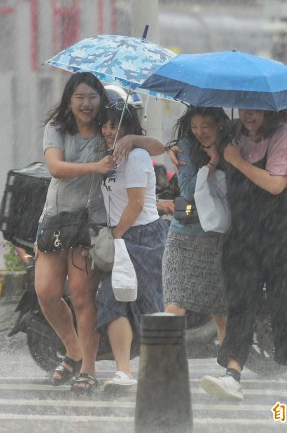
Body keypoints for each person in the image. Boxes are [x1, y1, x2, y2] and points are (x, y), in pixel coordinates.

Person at [36, 73, 164, 395]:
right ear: (69, 99)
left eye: (92, 97)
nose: (86, 103)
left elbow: (156, 148)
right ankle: (74, 349)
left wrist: (131, 140)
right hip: (56, 219)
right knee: (46, 292)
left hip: (92, 224)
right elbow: (55, 167)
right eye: (79, 96)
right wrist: (95, 167)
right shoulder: (57, 127)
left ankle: (88, 368)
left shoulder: (108, 128)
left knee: (81, 296)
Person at [200, 108, 287, 401]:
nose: (248, 114)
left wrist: (237, 160)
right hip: (243, 234)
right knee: (240, 301)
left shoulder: (284, 135)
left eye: (256, 109)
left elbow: (276, 184)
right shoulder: (234, 133)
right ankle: (233, 374)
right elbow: (208, 146)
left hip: (282, 233)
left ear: (271, 110)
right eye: (244, 107)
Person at [97, 102, 167, 391]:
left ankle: (159, 371)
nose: (108, 130)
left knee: (148, 305)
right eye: (105, 124)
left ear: (128, 127)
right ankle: (123, 371)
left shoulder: (136, 155)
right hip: (122, 236)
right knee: (112, 303)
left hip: (143, 236)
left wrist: (115, 234)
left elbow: (137, 204)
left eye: (115, 125)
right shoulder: (109, 156)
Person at [162, 106, 230, 346]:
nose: (200, 132)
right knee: (174, 303)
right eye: (194, 126)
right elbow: (189, 190)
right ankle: (164, 369)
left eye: (206, 126)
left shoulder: (233, 145)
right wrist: (212, 163)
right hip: (183, 236)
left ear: (220, 124)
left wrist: (224, 159)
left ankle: (228, 366)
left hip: (216, 239)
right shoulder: (186, 147)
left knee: (219, 307)